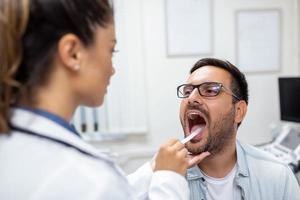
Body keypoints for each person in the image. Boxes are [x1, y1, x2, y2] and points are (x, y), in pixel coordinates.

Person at [0, 0, 208, 199]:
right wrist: (169, 179)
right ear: (73, 53)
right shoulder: (90, 179)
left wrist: (156, 168)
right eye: (111, 50)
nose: (112, 69)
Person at [177, 58, 300, 200]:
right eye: (187, 92)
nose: (191, 98)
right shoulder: (164, 180)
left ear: (238, 111)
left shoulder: (278, 177)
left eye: (210, 90)